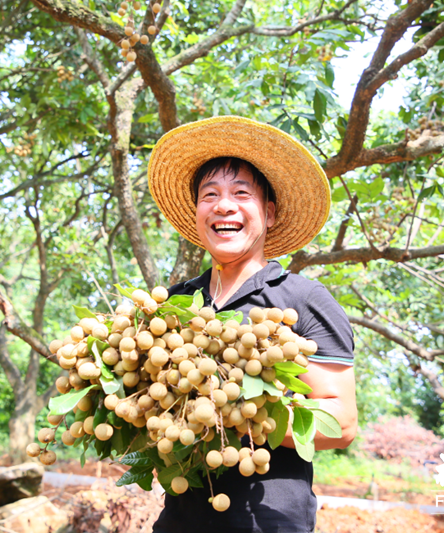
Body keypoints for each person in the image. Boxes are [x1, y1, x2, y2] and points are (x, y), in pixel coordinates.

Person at [147, 116, 358, 533]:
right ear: (197, 214)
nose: (224, 205)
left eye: (240, 193)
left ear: (270, 213)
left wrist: (242, 413)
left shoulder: (302, 301)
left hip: (269, 524)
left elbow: (343, 424)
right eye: (210, 195)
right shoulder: (173, 304)